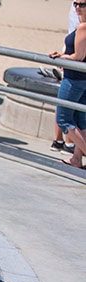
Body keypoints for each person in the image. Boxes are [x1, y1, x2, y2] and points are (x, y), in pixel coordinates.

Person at [49, 1, 86, 169]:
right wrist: (64, 54)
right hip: (81, 78)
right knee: (81, 120)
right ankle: (77, 159)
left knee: (63, 119)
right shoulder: (81, 25)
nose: (78, 7)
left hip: (74, 78)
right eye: (75, 3)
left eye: (83, 4)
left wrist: (62, 57)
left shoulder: (83, 27)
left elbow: (78, 56)